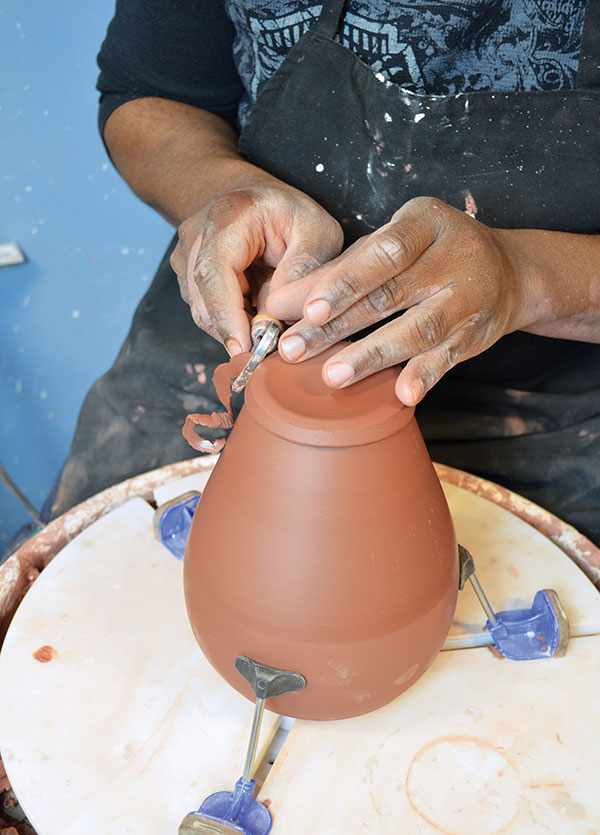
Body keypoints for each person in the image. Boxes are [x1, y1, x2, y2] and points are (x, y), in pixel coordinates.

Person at [52, 0, 600, 545]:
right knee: (89, 559)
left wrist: (523, 277)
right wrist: (224, 192)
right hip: (249, 326)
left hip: (550, 381)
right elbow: (150, 96)